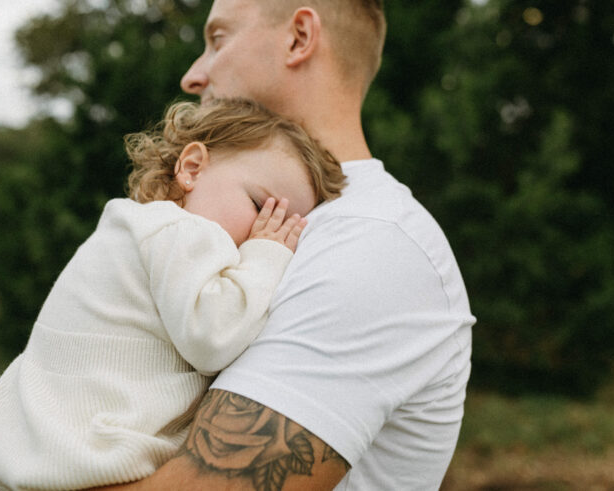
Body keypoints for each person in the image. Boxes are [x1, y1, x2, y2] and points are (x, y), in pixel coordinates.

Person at [96, 1, 476, 490]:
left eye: (218, 39)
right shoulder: (233, 209)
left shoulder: (371, 245)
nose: (193, 76)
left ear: (299, 37)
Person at [0, 98, 346, 491]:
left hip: (23, 458)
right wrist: (268, 255)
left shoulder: (136, 228)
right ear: (192, 168)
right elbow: (213, 338)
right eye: (258, 205)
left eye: (287, 226)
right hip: (74, 465)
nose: (266, 228)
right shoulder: (179, 230)